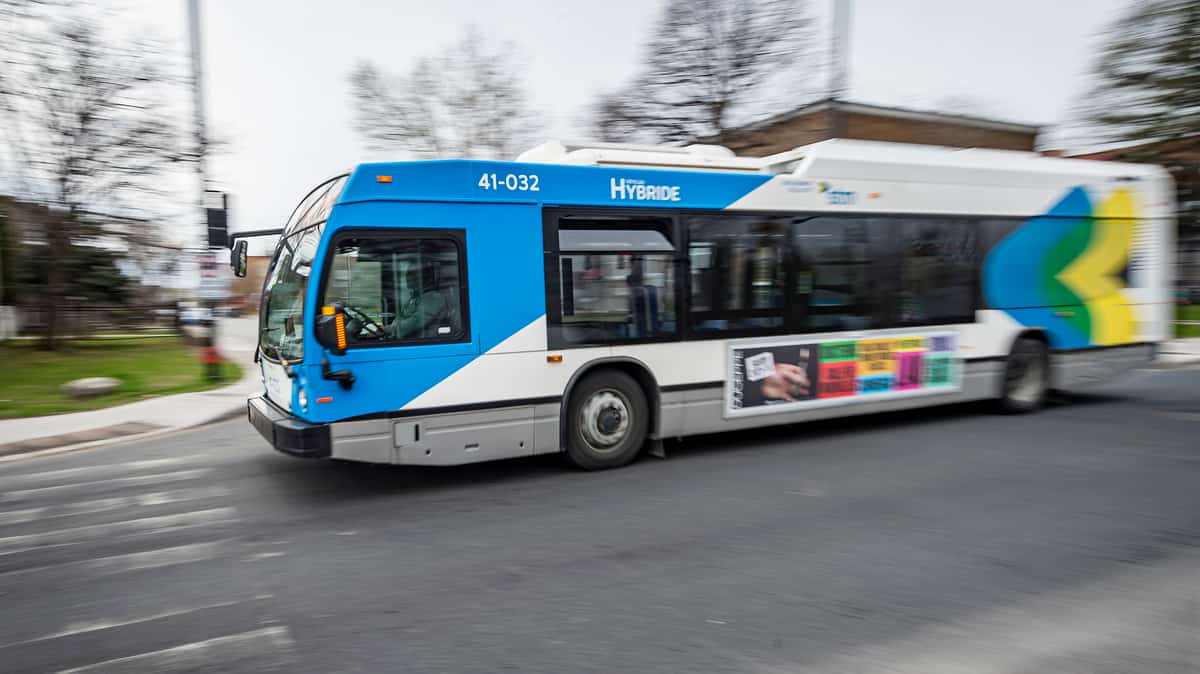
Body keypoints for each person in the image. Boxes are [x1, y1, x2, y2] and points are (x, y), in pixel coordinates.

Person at [389, 266, 450, 339]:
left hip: (422, 343)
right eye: (407, 274)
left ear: (423, 277)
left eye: (411, 274)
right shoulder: (415, 297)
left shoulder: (433, 298)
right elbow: (400, 317)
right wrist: (389, 329)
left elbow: (415, 322)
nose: (407, 277)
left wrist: (388, 329)